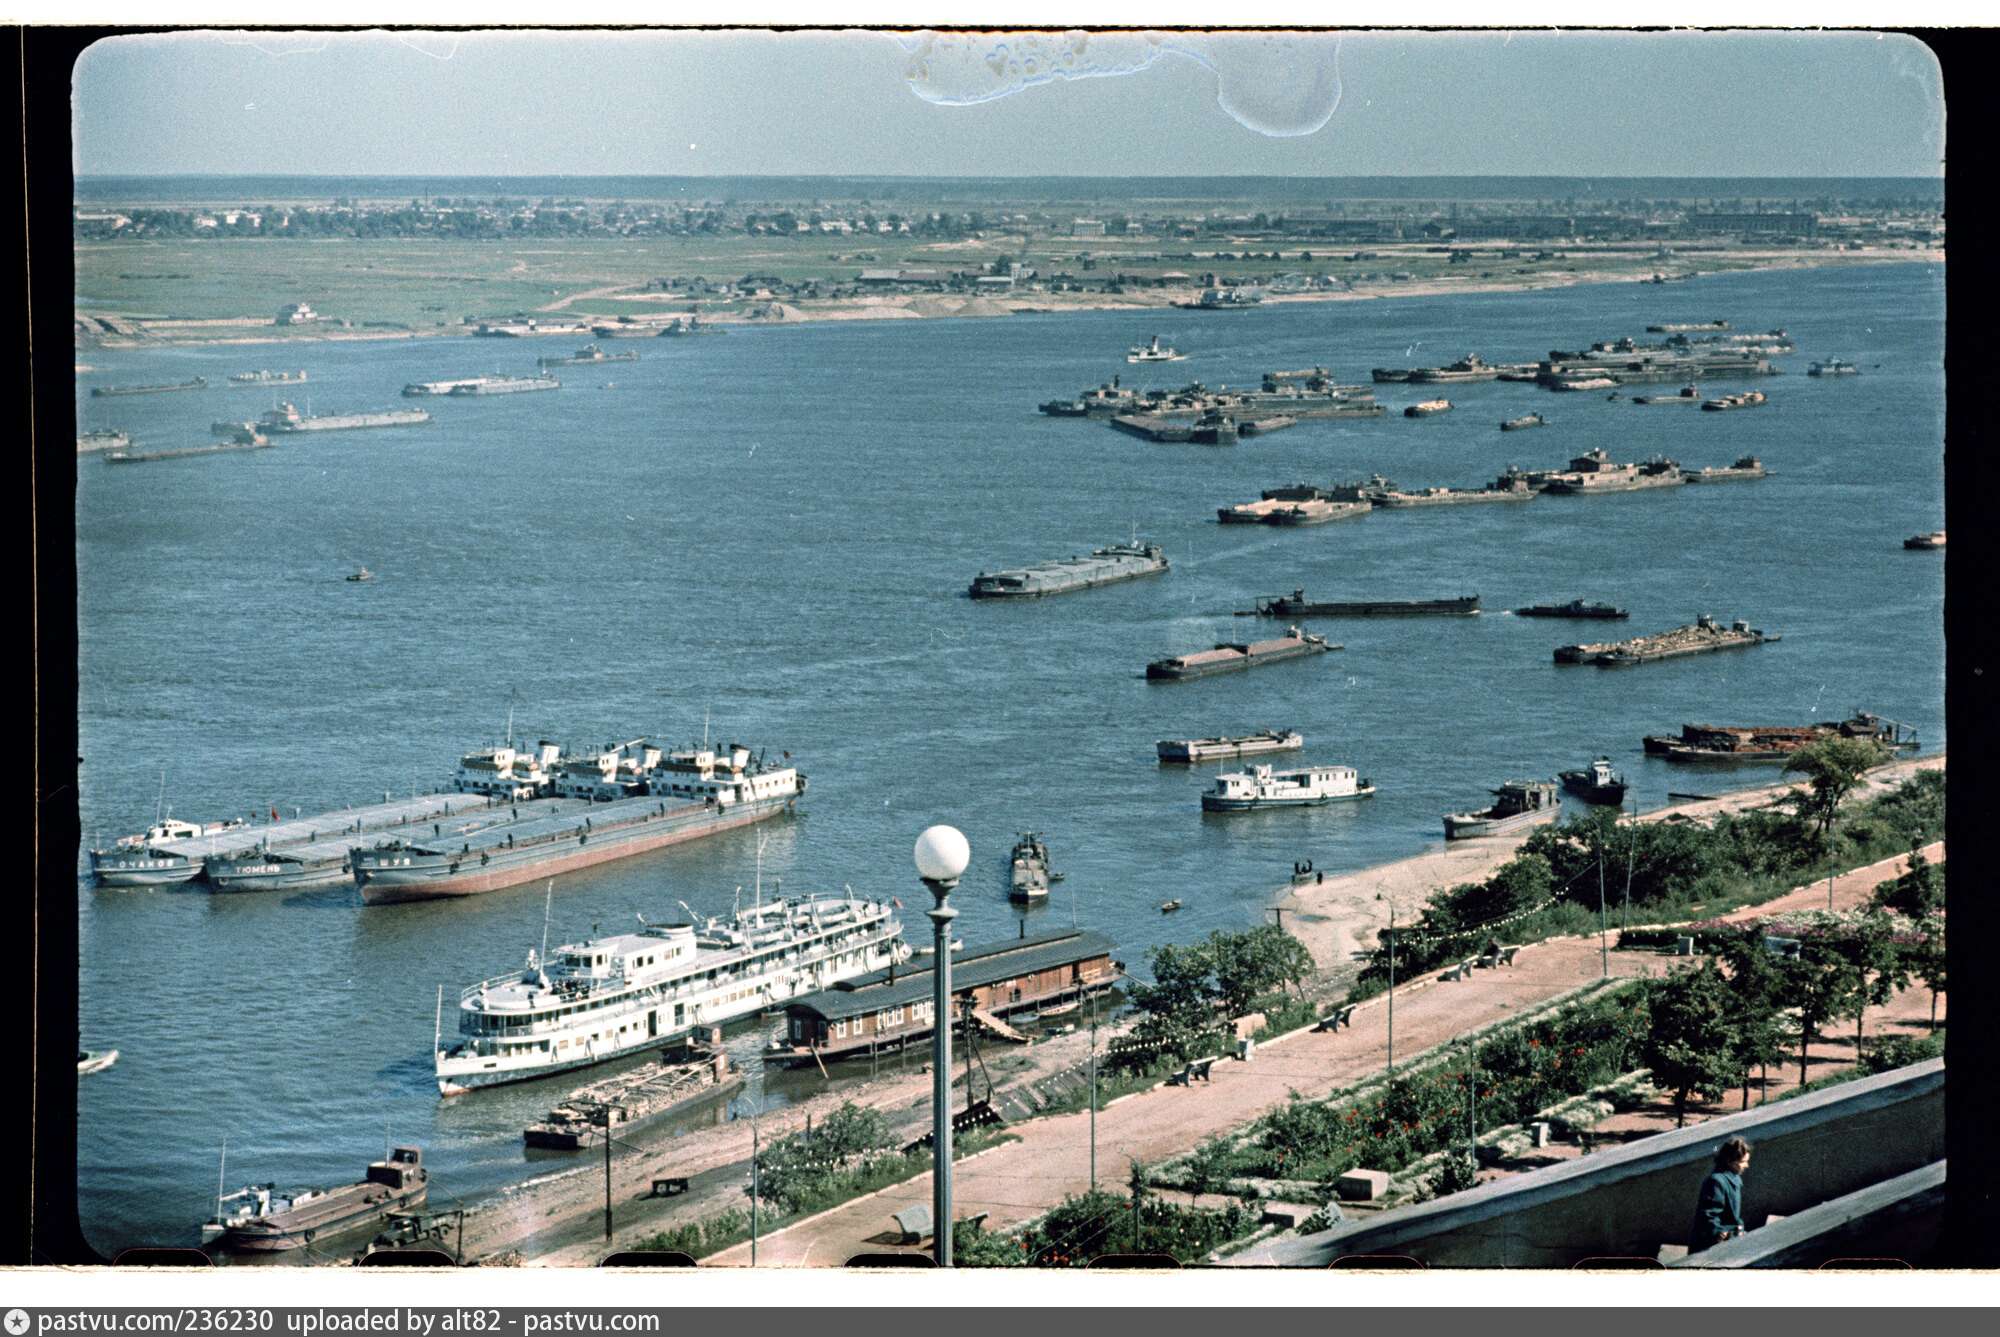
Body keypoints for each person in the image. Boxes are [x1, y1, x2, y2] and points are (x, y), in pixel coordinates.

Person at [1688, 1136, 1752, 1252]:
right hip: (1709, 1246)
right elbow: (1709, 1216)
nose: (1746, 1166)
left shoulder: (1733, 1179)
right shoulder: (1716, 1181)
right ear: (1729, 1161)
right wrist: (1721, 1234)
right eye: (1743, 1162)